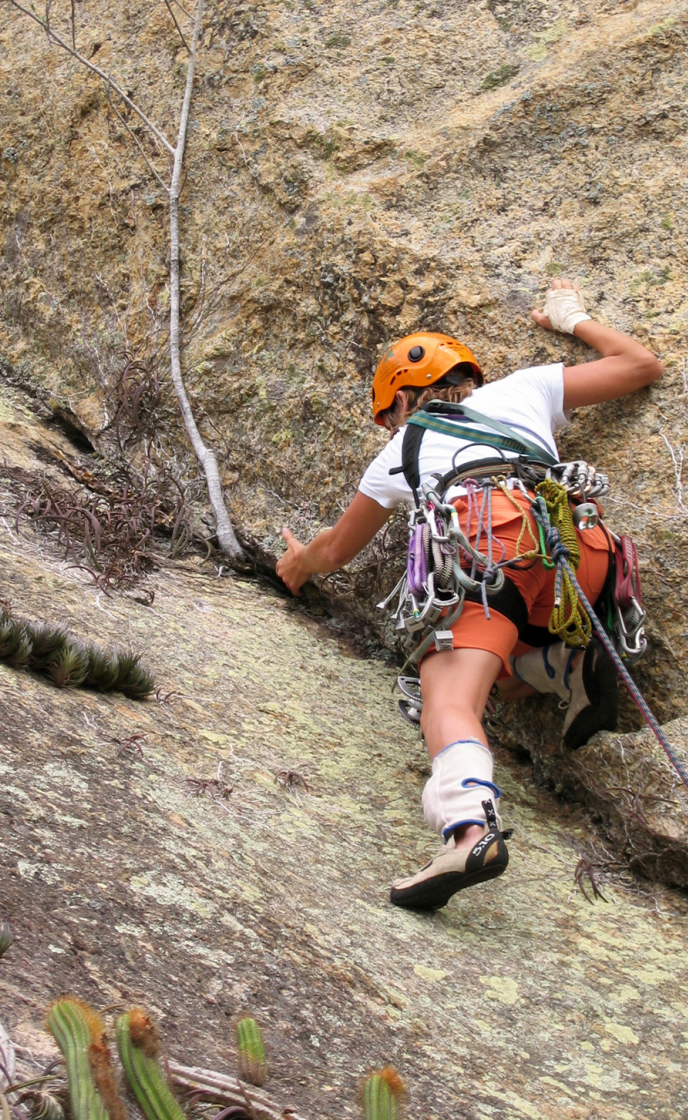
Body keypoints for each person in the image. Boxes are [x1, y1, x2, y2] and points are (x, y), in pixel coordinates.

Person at [277, 280, 663, 910]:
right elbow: (641, 366)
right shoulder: (525, 388)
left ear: (400, 401)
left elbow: (335, 550)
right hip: (585, 555)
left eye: (389, 412)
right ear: (469, 377)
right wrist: (573, 319)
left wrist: (297, 566)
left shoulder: (400, 449)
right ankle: (566, 665)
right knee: (499, 672)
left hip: (493, 543)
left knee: (449, 697)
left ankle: (468, 831)